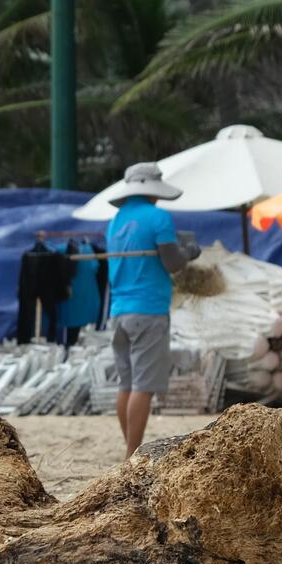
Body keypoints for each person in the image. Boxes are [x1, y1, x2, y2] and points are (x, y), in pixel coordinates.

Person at [105, 162, 197, 458]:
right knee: (142, 386)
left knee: (126, 384)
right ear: (154, 190)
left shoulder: (116, 221)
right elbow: (173, 263)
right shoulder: (158, 217)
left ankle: (130, 451)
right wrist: (189, 252)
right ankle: (133, 454)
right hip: (148, 309)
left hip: (119, 311)